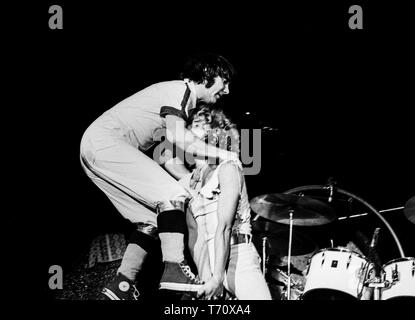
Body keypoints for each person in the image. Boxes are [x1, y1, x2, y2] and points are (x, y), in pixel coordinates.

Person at [79, 53, 237, 300]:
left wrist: (192, 187)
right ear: (207, 75)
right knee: (172, 197)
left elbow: (169, 160)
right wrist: (226, 156)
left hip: (95, 151)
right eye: (224, 82)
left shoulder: (181, 106)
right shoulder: (180, 91)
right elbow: (179, 138)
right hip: (105, 143)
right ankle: (174, 268)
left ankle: (122, 283)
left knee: (154, 219)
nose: (226, 90)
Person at [170, 107, 272, 300]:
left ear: (216, 133)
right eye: (192, 126)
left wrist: (217, 278)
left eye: (201, 126)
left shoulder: (228, 168)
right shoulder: (189, 183)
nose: (192, 131)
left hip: (237, 255)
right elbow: (195, 237)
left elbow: (224, 227)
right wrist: (206, 276)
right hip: (207, 260)